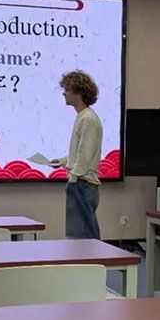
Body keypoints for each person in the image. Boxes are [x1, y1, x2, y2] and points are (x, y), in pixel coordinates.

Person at [51, 70, 103, 239]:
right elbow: (80, 152)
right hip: (80, 182)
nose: (64, 93)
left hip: (82, 184)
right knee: (78, 237)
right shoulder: (83, 116)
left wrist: (73, 179)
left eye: (67, 89)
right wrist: (62, 161)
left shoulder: (88, 119)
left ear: (78, 92)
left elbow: (85, 155)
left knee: (84, 238)